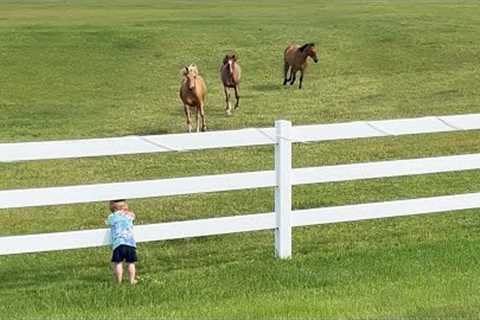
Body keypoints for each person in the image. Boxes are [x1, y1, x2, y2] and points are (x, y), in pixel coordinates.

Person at [106, 199, 138, 284]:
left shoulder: (112, 216)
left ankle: (119, 281)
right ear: (125, 207)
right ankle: (132, 280)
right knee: (131, 263)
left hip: (118, 244)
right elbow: (133, 216)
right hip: (130, 244)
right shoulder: (129, 215)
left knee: (118, 263)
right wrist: (128, 212)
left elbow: (108, 222)